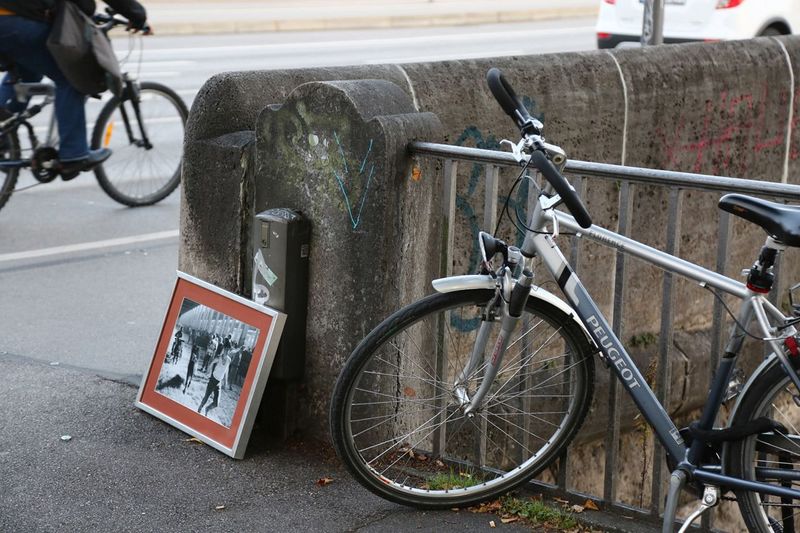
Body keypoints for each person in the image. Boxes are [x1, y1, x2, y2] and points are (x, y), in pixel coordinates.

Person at [0, 0, 148, 180]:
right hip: (20, 20)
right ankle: (74, 155)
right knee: (72, 76)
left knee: (27, 75)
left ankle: (3, 134)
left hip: (11, 18)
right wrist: (137, 15)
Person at [197, 344, 233, 417]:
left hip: (218, 383)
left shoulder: (229, 360)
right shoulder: (219, 357)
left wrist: (225, 382)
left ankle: (207, 409)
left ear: (229, 351)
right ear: (224, 349)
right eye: (225, 349)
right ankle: (199, 409)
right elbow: (212, 363)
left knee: (216, 403)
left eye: (228, 350)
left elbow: (226, 371)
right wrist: (208, 371)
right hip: (213, 379)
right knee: (206, 397)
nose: (226, 351)